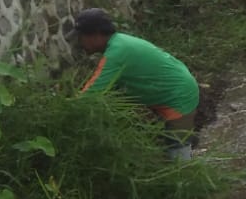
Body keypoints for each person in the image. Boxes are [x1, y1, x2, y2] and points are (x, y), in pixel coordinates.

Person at [73, 8, 199, 157]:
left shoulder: (116, 54)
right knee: (171, 142)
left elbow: (91, 93)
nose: (79, 42)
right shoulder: (120, 42)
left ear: (96, 35)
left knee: (177, 151)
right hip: (178, 88)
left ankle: (185, 170)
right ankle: (189, 144)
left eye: (81, 37)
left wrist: (68, 107)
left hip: (178, 97)